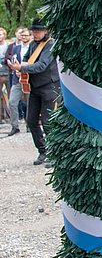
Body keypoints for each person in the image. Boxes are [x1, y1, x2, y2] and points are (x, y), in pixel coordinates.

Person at [8, 18, 60, 165]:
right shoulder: (32, 44)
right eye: (34, 31)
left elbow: (41, 65)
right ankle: (43, 151)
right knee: (31, 120)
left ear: (45, 31)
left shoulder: (50, 44)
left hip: (50, 87)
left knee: (48, 122)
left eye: (38, 31)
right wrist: (20, 66)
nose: (35, 34)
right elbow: (26, 60)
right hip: (35, 87)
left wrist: (22, 68)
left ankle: (55, 154)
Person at [5, 28, 31, 136]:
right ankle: (15, 126)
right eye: (22, 35)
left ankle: (29, 125)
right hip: (17, 79)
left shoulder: (33, 48)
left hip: (30, 79)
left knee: (30, 103)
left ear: (30, 36)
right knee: (12, 102)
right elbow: (13, 61)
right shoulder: (16, 48)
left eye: (25, 35)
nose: (23, 37)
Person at [0, 27, 10, 122]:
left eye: (1, 34)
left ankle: (11, 116)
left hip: (7, 73)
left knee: (11, 96)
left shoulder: (8, 45)